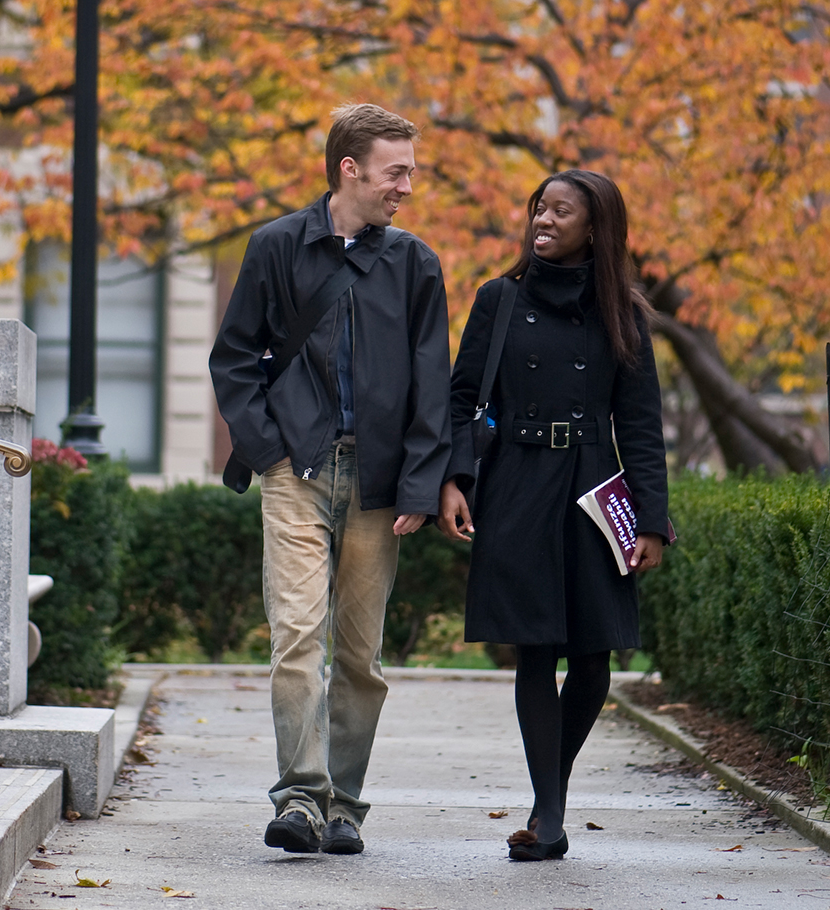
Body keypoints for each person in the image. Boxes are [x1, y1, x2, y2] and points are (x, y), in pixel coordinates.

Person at [209, 103, 452, 855]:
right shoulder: (276, 247)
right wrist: (271, 450)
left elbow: (430, 384)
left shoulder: (415, 263)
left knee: (359, 655)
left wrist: (418, 485)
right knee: (296, 639)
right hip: (298, 472)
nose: (407, 185)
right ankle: (302, 802)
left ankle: (346, 806)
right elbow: (235, 359)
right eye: (397, 170)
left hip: (381, 486)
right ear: (350, 169)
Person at [437, 169, 668, 861]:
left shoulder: (623, 314)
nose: (544, 217)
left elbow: (642, 423)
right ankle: (551, 815)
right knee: (534, 648)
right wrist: (455, 480)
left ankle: (549, 796)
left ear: (595, 227)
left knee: (594, 656)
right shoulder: (498, 300)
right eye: (540, 206)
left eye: (560, 210)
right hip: (515, 485)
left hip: (596, 487)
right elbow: (460, 398)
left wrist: (652, 520)